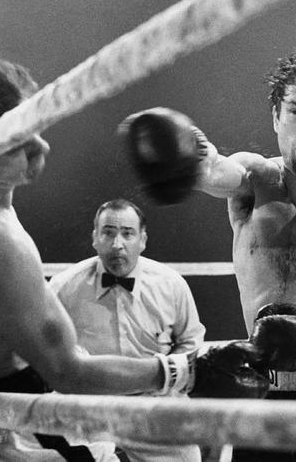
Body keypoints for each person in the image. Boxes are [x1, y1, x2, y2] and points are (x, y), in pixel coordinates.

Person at [0, 53, 270, 462]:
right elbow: (68, 372)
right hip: (27, 417)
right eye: (22, 135)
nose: (41, 144)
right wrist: (190, 370)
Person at [122, 46, 296, 462]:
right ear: (276, 117)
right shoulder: (254, 181)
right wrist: (185, 155)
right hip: (259, 391)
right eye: (295, 111)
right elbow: (213, 170)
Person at [49, 198, 205, 462]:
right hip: (89, 412)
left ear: (142, 240)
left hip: (156, 408)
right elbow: (49, 351)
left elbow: (191, 343)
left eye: (127, 233)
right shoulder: (64, 287)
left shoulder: (171, 285)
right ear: (95, 238)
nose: (117, 244)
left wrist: (166, 382)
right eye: (108, 233)